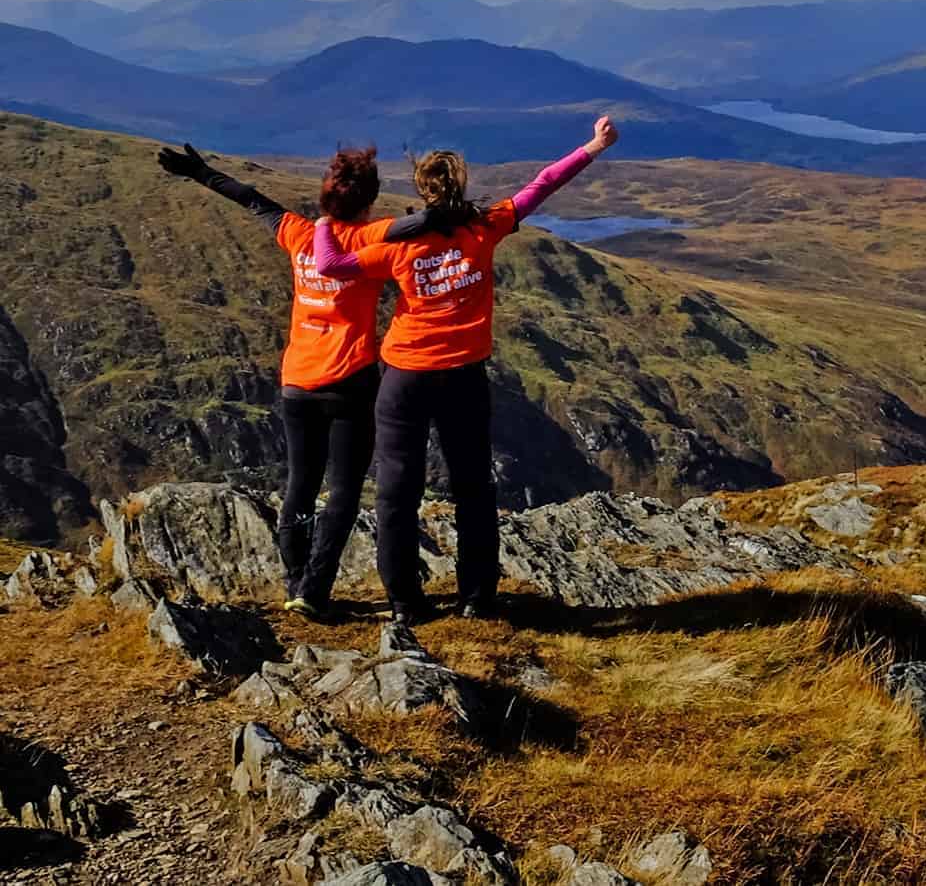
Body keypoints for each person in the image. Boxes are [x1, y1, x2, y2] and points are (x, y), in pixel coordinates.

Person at [310, 115, 620, 624]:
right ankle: (477, 597)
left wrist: (324, 223)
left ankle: (406, 603)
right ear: (461, 185)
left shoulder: (398, 243)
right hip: (463, 376)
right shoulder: (485, 227)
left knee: (396, 491)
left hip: (405, 376)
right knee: (473, 486)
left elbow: (331, 266)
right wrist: (593, 146)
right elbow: (541, 185)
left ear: (422, 190)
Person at [156, 141, 402, 620]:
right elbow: (419, 230)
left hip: (297, 382)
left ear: (325, 197)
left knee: (301, 483)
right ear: (368, 200)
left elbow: (252, 199)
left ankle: (294, 582)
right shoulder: (374, 240)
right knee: (345, 489)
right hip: (350, 382)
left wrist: (201, 172)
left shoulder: (300, 234)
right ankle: (314, 588)